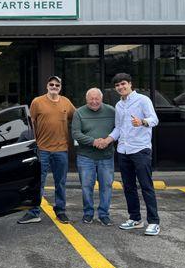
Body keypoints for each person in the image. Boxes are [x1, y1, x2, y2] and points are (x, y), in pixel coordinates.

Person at [98, 73, 161, 236]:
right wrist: (107, 140)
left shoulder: (143, 100)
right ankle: (135, 219)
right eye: (117, 85)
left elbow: (154, 119)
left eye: (123, 84)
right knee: (129, 187)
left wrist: (142, 122)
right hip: (123, 151)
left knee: (146, 186)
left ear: (130, 84)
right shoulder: (119, 105)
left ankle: (154, 222)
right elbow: (118, 128)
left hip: (140, 150)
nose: (120, 87)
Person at [18, 76, 76, 224]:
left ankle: (60, 211)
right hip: (41, 149)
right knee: (38, 182)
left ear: (60, 87)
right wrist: (32, 144)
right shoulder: (37, 102)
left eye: (57, 85)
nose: (54, 86)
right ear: (47, 85)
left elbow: (77, 118)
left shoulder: (66, 102)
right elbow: (31, 123)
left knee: (60, 183)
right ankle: (34, 212)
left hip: (61, 150)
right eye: (52, 84)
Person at [71, 88, 116, 226]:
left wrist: (107, 140)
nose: (94, 101)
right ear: (86, 99)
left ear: (101, 99)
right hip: (86, 157)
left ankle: (104, 215)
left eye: (97, 99)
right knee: (86, 186)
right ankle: (88, 213)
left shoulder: (111, 111)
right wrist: (94, 141)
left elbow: (118, 129)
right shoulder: (79, 113)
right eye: (91, 99)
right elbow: (76, 133)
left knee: (106, 186)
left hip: (106, 156)